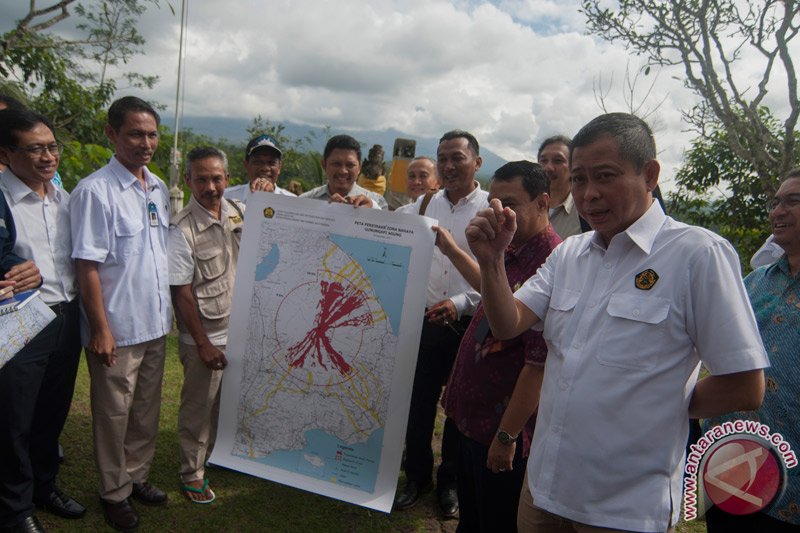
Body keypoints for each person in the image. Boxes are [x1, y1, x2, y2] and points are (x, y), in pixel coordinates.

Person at [466, 112, 768, 532]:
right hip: (544, 488)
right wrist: (492, 260)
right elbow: (508, 323)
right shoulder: (569, 253)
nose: (589, 194)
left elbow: (744, 385)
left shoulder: (697, 255)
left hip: (624, 507)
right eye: (578, 179)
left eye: (604, 176)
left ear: (650, 174)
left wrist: (659, 403)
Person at [436, 161, 561, 532]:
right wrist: (456, 251)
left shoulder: (551, 264)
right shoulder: (511, 245)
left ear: (542, 204)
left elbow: (536, 366)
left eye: (510, 203)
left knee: (495, 520)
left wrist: (507, 437)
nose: (498, 213)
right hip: (473, 417)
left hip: (499, 428)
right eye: (492, 203)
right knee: (472, 516)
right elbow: (493, 294)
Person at [69, 96, 172, 532]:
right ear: (112, 134)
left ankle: (137, 477)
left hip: (154, 325)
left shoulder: (158, 186)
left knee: (146, 411)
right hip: (116, 329)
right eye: (135, 133)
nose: (144, 142)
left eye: (151, 134)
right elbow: (86, 266)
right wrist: (101, 329)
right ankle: (114, 491)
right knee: (113, 416)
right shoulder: (95, 191)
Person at [394, 130, 489, 518]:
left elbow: (498, 276)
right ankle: (417, 477)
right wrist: (358, 207)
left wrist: (461, 301)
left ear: (477, 163)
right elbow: (382, 225)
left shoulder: (490, 208)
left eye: (457, 158)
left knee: (458, 409)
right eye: (443, 158)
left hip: (471, 325)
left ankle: (450, 482)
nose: (448, 166)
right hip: (426, 323)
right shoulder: (424, 204)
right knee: (417, 405)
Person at [702, 169, 800, 532]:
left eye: (793, 201)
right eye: (775, 201)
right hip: (729, 465)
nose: (778, 210)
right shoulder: (755, 281)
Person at [0, 108, 79, 533]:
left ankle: (44, 486)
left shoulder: (64, 197)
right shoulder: (2, 198)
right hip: (19, 323)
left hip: (66, 317)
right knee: (15, 418)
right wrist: (9, 266)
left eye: (52, 146)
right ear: (6, 153)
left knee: (52, 411)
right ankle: (14, 510)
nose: (49, 157)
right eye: (35, 149)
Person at [169, 146, 243, 505]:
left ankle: (218, 456)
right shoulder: (182, 229)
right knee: (199, 408)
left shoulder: (240, 213)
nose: (210, 186)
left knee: (225, 405)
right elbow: (182, 293)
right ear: (188, 181)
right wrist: (202, 344)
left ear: (227, 179)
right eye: (201, 179)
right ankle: (191, 473)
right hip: (207, 335)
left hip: (238, 330)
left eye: (217, 178)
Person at [301, 135, 388, 209]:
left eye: (350, 165)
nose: (343, 171)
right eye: (336, 164)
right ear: (324, 165)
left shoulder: (377, 203)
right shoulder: (304, 201)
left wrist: (370, 211)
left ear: (359, 168)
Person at [223, 134, 295, 203]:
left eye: (271, 163)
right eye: (258, 162)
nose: (265, 168)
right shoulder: (226, 197)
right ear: (246, 165)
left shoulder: (293, 202)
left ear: (279, 167)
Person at [537, 135, 581, 239]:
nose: (548, 168)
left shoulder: (583, 212)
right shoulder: (526, 205)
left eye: (558, 161)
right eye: (543, 161)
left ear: (573, 166)